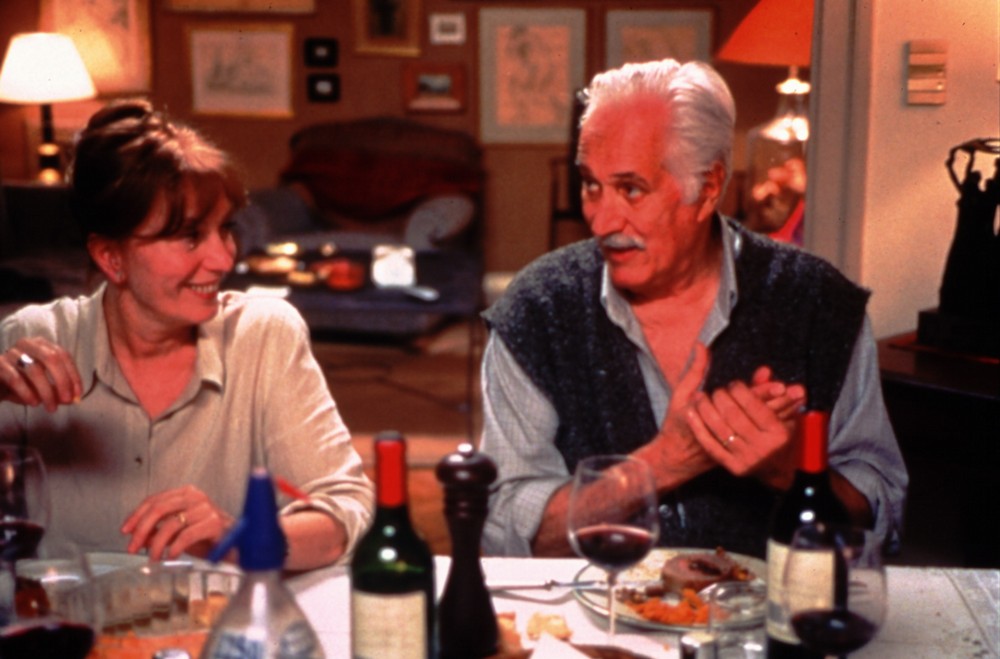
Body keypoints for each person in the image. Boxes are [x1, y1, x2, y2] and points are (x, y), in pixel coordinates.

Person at [479, 59, 908, 559]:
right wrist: (663, 464)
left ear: (707, 189)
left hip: (775, 608)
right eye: (591, 185)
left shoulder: (821, 304)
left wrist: (795, 471)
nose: (600, 220)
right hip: (594, 608)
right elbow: (504, 534)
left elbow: (884, 513)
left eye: (631, 189)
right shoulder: (536, 309)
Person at [0, 100, 373, 571]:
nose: (223, 258)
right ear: (111, 257)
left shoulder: (263, 335)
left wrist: (242, 538)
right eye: (190, 237)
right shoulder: (31, 342)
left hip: (216, 616)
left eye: (225, 229)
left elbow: (346, 507)